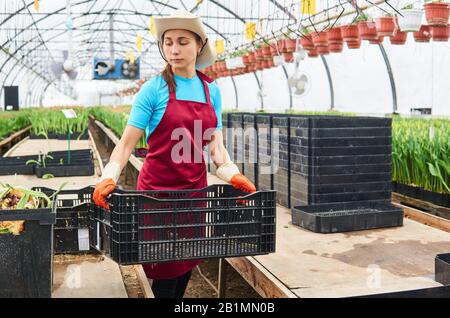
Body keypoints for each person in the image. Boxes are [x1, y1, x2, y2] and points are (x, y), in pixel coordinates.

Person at [92, 10, 256, 298]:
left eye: (183, 41)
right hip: (159, 195)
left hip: (194, 192)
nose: (174, 49)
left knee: (186, 263)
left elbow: (215, 145)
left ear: (199, 46)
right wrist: (108, 176)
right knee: (166, 270)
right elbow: (127, 144)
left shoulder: (211, 91)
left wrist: (233, 174)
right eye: (168, 42)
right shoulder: (153, 90)